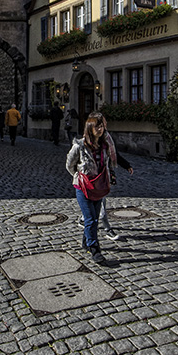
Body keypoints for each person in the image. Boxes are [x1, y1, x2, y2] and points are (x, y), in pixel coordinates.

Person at [66, 112, 115, 265]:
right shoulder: (79, 146)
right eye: (97, 126)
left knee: (92, 217)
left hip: (98, 186)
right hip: (83, 187)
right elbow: (69, 164)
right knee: (91, 218)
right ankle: (95, 250)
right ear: (90, 128)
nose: (100, 129)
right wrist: (79, 177)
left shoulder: (104, 145)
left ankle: (86, 241)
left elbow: (108, 163)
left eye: (102, 126)